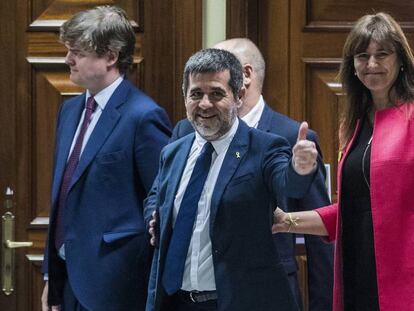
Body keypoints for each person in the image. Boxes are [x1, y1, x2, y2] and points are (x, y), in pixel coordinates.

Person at [159, 38, 333, 310]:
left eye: (216, 93)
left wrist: (301, 169)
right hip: (178, 299)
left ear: (238, 92)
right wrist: (153, 218)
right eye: (195, 94)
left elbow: (291, 188)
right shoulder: (179, 142)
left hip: (249, 295)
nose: (205, 104)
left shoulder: (273, 142)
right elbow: (160, 195)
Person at [273, 12, 414, 311]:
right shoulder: (354, 126)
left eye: (382, 54)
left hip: (403, 283)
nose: (372, 64)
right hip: (357, 277)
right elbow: (355, 210)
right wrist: (286, 221)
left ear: (401, 60)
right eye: (363, 55)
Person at [41, 6, 171, 311]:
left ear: (110, 57)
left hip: (117, 287)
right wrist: (52, 277)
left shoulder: (143, 116)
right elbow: (64, 197)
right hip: (68, 281)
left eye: (77, 52)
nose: (67, 60)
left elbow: (161, 201)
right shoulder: (70, 110)